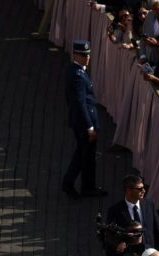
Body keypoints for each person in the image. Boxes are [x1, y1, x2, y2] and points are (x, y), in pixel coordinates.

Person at [62, 40, 107, 198]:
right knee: (82, 155)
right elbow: (80, 102)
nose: (87, 58)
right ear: (75, 54)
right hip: (84, 122)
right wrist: (89, 127)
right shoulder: (78, 75)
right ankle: (68, 183)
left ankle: (89, 186)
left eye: (88, 54)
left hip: (82, 119)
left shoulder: (75, 70)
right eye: (83, 55)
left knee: (88, 156)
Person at [105, 175, 159, 256]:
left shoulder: (149, 205)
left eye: (143, 187)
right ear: (128, 190)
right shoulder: (115, 211)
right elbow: (108, 235)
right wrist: (118, 244)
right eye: (139, 189)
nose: (144, 191)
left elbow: (158, 232)